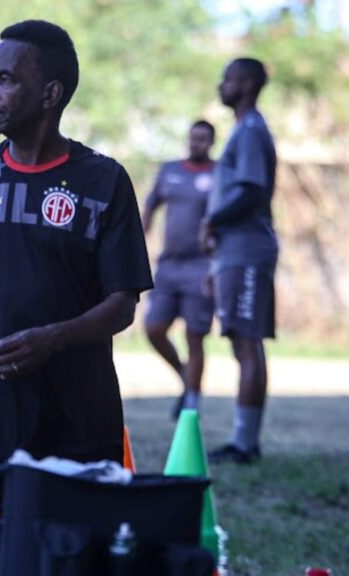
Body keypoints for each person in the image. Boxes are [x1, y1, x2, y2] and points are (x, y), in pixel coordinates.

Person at [0, 20, 153, 503]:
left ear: (50, 94)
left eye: (5, 79)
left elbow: (123, 305)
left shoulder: (103, 182)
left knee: (72, 557)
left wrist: (53, 339)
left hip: (78, 420)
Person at [199, 58, 278, 465]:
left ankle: (245, 444)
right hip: (234, 251)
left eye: (227, 78)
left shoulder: (250, 130)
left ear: (245, 85)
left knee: (247, 342)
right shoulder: (243, 130)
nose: (221, 85)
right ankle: (244, 439)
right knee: (240, 342)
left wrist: (211, 220)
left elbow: (252, 191)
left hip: (247, 250)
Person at [142, 120, 217, 420]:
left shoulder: (219, 173)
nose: (196, 143)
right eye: (193, 138)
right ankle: (186, 377)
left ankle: (191, 403)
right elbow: (150, 206)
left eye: (203, 139)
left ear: (211, 142)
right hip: (168, 266)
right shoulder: (170, 171)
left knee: (195, 336)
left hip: (201, 267)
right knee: (154, 328)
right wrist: (137, 240)